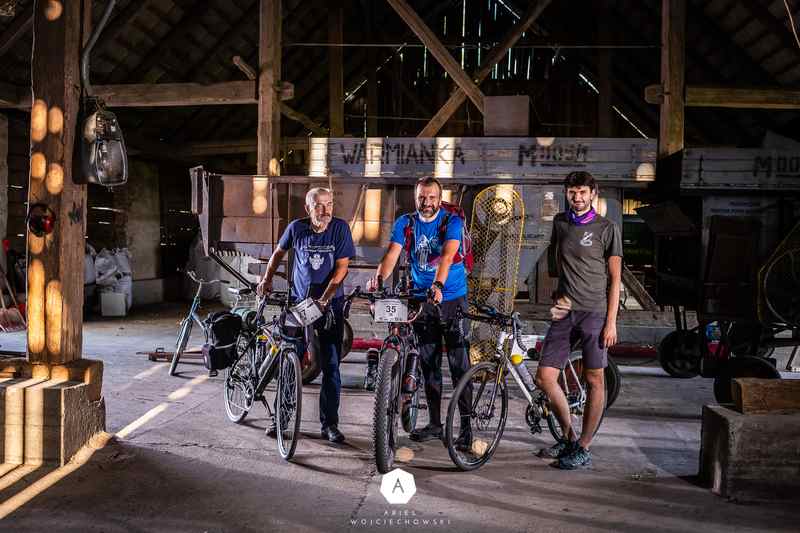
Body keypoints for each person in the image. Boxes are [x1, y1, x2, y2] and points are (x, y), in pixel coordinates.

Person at [368, 176, 472, 447]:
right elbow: (392, 255)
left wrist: (438, 285)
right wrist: (378, 279)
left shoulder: (451, 222)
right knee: (429, 364)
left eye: (432, 197)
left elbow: (447, 256)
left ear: (440, 198)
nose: (427, 203)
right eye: (422, 198)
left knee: (460, 365)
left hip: (451, 299)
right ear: (415, 198)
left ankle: (466, 429)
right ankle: (435, 424)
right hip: (421, 300)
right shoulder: (406, 222)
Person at [534, 170, 622, 469]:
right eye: (572, 192)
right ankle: (569, 437)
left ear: (593, 194)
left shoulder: (607, 228)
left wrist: (611, 321)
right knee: (544, 377)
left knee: (595, 379)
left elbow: (615, 279)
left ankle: (584, 446)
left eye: (583, 192)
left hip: (594, 313)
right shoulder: (560, 223)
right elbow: (556, 264)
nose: (578, 197)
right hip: (563, 311)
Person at [257, 187, 355, 444]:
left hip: (329, 307)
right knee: (290, 361)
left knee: (331, 366)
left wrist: (326, 298)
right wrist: (267, 279)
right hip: (299, 306)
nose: (326, 210)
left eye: (329, 204)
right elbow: (278, 254)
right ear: (308, 208)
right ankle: (281, 418)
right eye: (319, 205)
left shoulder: (340, 229)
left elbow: (342, 268)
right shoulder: (296, 228)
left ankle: (329, 425)